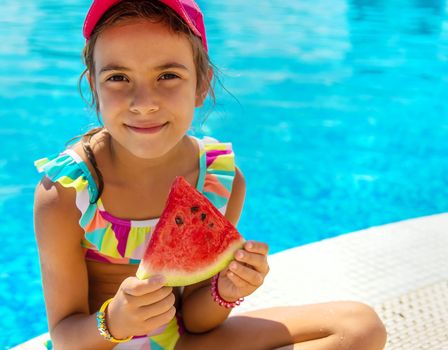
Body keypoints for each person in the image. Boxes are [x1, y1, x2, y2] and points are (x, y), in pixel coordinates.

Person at [33, 0, 387, 349]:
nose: (144, 102)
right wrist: (116, 321)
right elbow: (65, 336)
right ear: (94, 86)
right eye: (118, 77)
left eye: (168, 76)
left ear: (202, 85)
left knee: (358, 327)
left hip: (181, 343)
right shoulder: (68, 192)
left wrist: (225, 291)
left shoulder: (217, 181)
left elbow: (197, 321)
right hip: (101, 345)